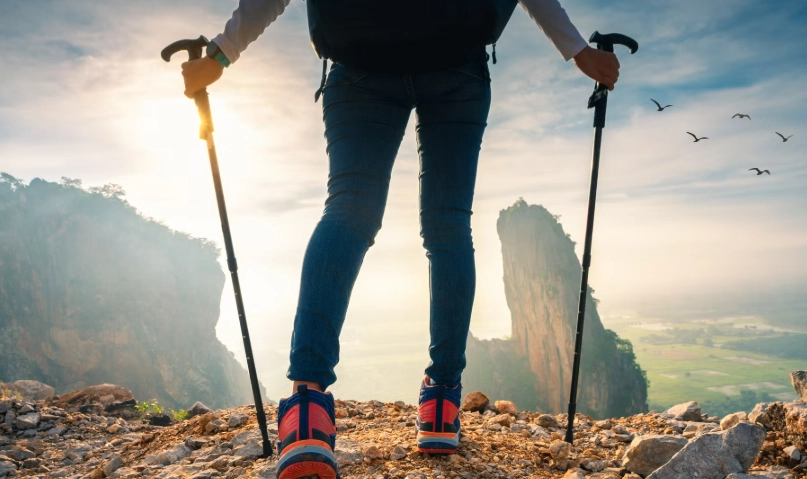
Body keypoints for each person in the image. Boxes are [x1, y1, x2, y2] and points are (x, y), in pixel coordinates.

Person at [181, 1, 620, 478]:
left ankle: (306, 411)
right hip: (456, 64)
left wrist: (221, 54)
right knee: (448, 226)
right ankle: (441, 407)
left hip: (361, 61)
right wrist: (577, 50)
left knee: (348, 211)